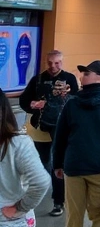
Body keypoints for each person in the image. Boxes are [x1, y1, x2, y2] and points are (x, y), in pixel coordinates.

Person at [50, 61, 100, 227]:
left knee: (74, 215)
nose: (82, 76)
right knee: (99, 213)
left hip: (74, 166)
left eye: (87, 73)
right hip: (99, 166)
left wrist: (58, 163)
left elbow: (60, 136)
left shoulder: (72, 103)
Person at [18, 49, 78, 217]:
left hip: (62, 127)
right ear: (46, 62)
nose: (53, 66)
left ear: (62, 62)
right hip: (40, 127)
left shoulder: (70, 79)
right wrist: (33, 104)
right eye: (50, 63)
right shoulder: (37, 79)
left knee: (58, 164)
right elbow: (24, 100)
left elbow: (77, 101)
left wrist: (66, 97)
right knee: (42, 163)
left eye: (57, 63)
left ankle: (59, 200)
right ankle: (38, 194)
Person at [0, 90, 49, 227]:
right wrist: (20, 208)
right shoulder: (19, 143)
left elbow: (41, 182)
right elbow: (41, 182)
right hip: (9, 218)